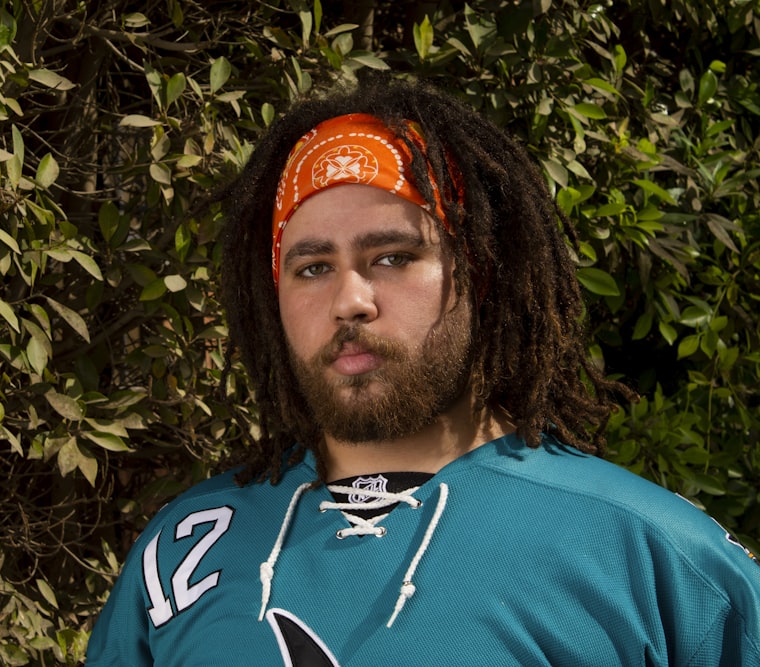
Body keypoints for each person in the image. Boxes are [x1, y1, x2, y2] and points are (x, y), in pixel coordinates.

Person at [85, 75, 760, 665]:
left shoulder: (654, 555)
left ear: (479, 271)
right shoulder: (185, 549)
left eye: (392, 256)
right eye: (313, 267)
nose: (350, 299)